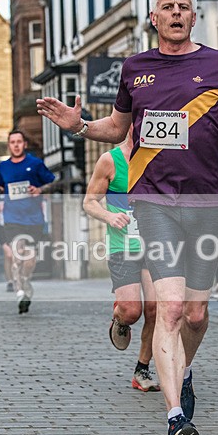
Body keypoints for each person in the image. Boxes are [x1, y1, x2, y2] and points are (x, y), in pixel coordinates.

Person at [37, 0, 218, 435]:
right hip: (153, 205)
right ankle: (175, 419)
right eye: (167, 6)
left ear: (194, 17)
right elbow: (118, 128)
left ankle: (182, 371)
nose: (176, 13)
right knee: (168, 310)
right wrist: (79, 125)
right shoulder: (136, 69)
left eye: (184, 7)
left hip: (208, 205)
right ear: (154, 17)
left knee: (195, 314)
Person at [83, 126, 160, 392]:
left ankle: (142, 369)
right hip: (122, 245)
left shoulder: (159, 157)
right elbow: (89, 201)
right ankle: (120, 317)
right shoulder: (110, 160)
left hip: (154, 246)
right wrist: (109, 216)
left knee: (155, 309)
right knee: (133, 310)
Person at [0, 130, 55, 314]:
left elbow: (52, 182)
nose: (16, 145)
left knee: (30, 259)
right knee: (17, 256)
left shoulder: (35, 164)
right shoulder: (3, 166)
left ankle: (26, 281)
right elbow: (0, 187)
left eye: (19, 141)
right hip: (12, 219)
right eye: (12, 142)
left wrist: (40, 189)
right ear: (9, 145)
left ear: (24, 144)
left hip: (34, 219)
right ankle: (20, 292)